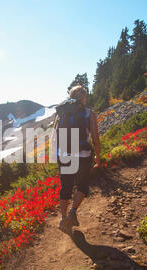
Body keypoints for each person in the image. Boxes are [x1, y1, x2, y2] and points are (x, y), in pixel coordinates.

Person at [53, 85, 101, 234]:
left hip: (65, 154)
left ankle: (63, 218)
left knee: (65, 187)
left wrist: (58, 154)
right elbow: (95, 137)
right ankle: (73, 212)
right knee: (82, 186)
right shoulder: (88, 113)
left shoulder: (61, 113)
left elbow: (54, 136)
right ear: (83, 97)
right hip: (82, 155)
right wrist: (98, 157)